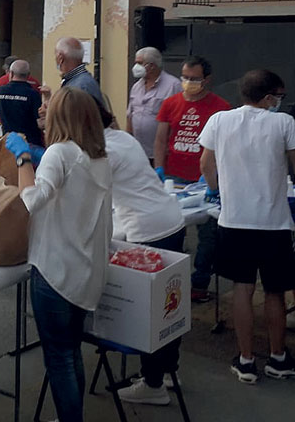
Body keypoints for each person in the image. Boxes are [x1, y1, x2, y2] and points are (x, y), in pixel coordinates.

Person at [4, 86, 112, 422]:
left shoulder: (60, 153)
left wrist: (23, 158)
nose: (43, 113)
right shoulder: (99, 157)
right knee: (70, 351)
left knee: (59, 358)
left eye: (48, 109)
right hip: (85, 271)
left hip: (55, 272)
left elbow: (31, 200)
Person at [199, 69, 295, 382]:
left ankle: (245, 360)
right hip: (274, 222)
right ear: (268, 97)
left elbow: (205, 163)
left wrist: (216, 191)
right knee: (275, 292)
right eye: (278, 97)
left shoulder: (219, 120)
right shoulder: (284, 122)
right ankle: (278, 357)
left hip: (234, 220)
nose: (279, 102)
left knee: (241, 289)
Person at [103, 116, 187, 406]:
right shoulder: (121, 139)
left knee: (148, 313)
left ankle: (152, 384)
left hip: (148, 231)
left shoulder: (102, 151)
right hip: (171, 221)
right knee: (168, 307)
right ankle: (166, 371)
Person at [154, 55, 231, 302]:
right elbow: (160, 139)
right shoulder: (170, 103)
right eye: (185, 77)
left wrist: (215, 179)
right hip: (174, 177)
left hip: (205, 179)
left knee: (208, 235)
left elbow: (224, 145)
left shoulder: (220, 107)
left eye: (194, 78)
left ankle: (199, 283)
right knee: (173, 231)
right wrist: (159, 168)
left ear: (206, 80)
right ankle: (171, 283)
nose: (188, 82)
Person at [126, 47, 181, 161]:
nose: (136, 67)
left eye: (140, 63)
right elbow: (130, 115)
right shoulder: (137, 86)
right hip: (138, 153)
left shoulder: (173, 85)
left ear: (152, 65)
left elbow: (177, 120)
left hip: (162, 154)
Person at [0, 59, 44, 146]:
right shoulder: (33, 94)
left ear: (10, 74)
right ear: (28, 75)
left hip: (8, 143)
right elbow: (40, 123)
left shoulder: (0, 91)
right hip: (30, 144)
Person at [52, 36, 106, 114]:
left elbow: (73, 120)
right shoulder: (83, 81)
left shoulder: (79, 87)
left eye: (55, 55)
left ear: (61, 58)